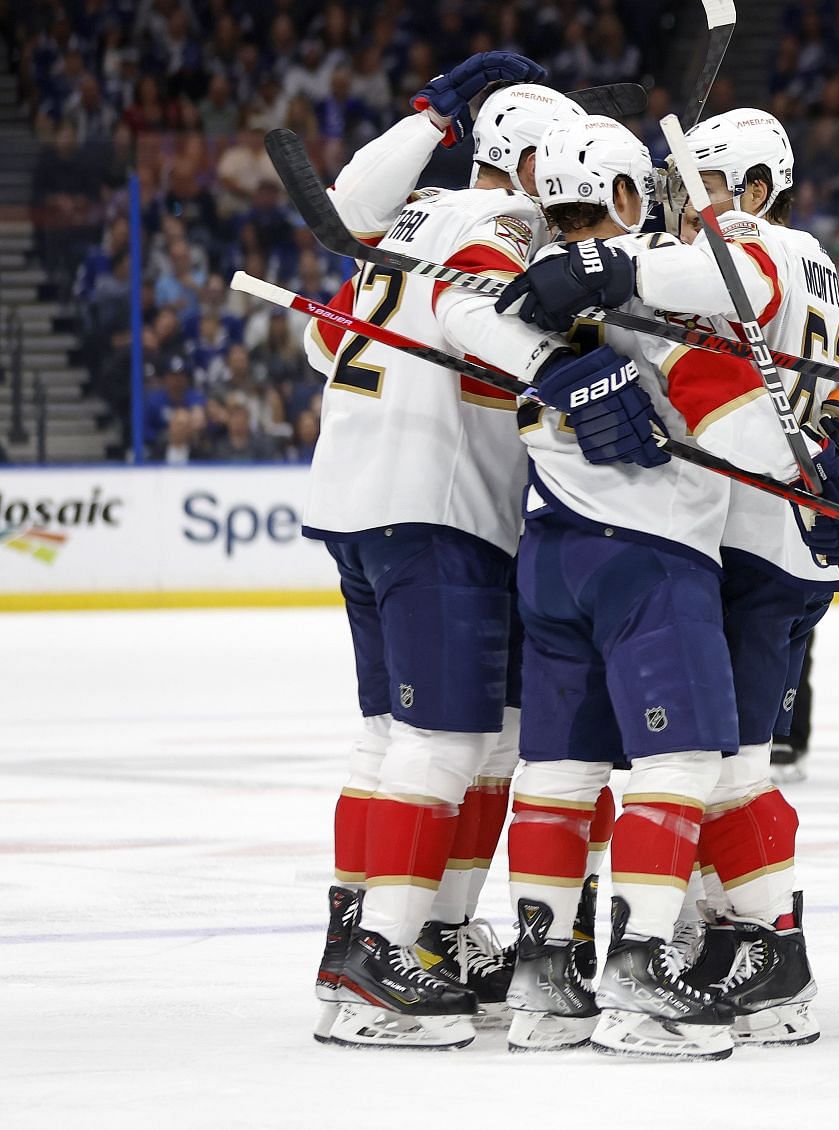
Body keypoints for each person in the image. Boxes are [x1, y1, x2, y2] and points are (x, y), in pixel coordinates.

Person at [493, 113, 839, 1057]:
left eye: (701, 180)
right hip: (768, 545)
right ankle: (737, 945)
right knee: (715, 765)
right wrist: (831, 460)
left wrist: (616, 274)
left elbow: (734, 298)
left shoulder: (725, 247)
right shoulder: (815, 260)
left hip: (710, 541)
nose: (682, 199)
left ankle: (724, 950)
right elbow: (828, 372)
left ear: (749, 183)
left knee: (698, 767)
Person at [300, 64, 599, 1050]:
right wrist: (579, 374)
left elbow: (320, 341)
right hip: (438, 508)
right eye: (554, 167)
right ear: (519, 160)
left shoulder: (411, 221)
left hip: (361, 495)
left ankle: (406, 928)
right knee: (447, 742)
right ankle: (383, 951)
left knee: (408, 733)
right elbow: (482, 323)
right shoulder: (501, 227)